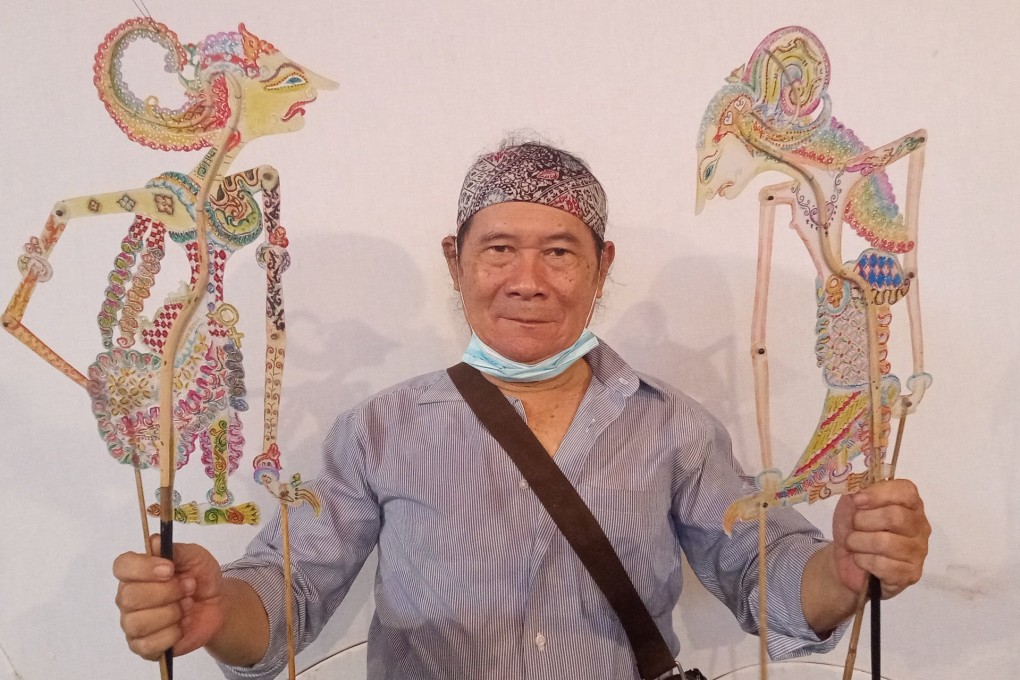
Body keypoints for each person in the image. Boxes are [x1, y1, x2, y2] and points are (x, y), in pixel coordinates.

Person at [114, 141, 930, 679]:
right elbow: (289, 590)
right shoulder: (379, 431)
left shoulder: (673, 429)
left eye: (560, 252)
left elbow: (761, 570)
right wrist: (214, 613)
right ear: (457, 262)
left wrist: (844, 569)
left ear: (601, 267)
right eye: (498, 249)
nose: (527, 281)